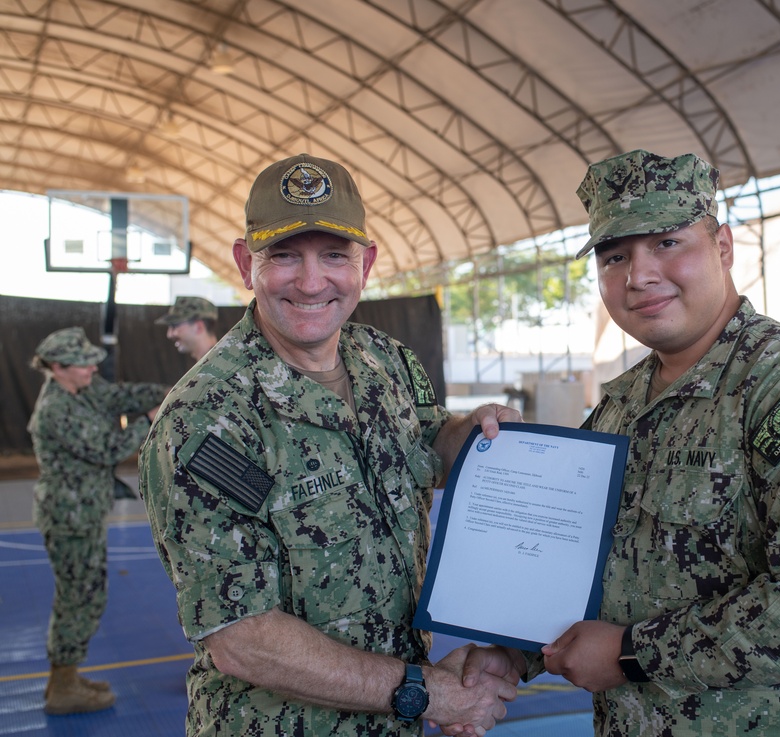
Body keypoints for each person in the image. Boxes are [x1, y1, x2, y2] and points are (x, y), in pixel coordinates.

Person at [466, 150, 780, 735]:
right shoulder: (623, 402)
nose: (638, 275)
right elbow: (584, 565)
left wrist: (631, 653)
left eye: (666, 243)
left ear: (722, 248)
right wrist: (516, 652)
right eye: (615, 256)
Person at [139, 153, 522, 737]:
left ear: (365, 264)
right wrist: (423, 691)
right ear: (247, 265)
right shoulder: (208, 419)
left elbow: (429, 442)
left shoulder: (385, 361)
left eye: (334, 255)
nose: (312, 282)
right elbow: (244, 639)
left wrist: (477, 432)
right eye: (284, 255)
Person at [28, 327, 167, 715]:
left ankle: (66, 676)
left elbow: (119, 396)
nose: (93, 368)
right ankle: (63, 687)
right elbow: (109, 448)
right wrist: (151, 418)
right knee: (78, 597)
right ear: (58, 368)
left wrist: (168, 390)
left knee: (87, 594)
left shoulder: (83, 391)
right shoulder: (56, 409)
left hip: (85, 511)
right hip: (70, 516)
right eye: (84, 363)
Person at [155, 295, 219, 361]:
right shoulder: (215, 362)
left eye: (175, 326)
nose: (169, 334)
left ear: (198, 327)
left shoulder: (221, 366)